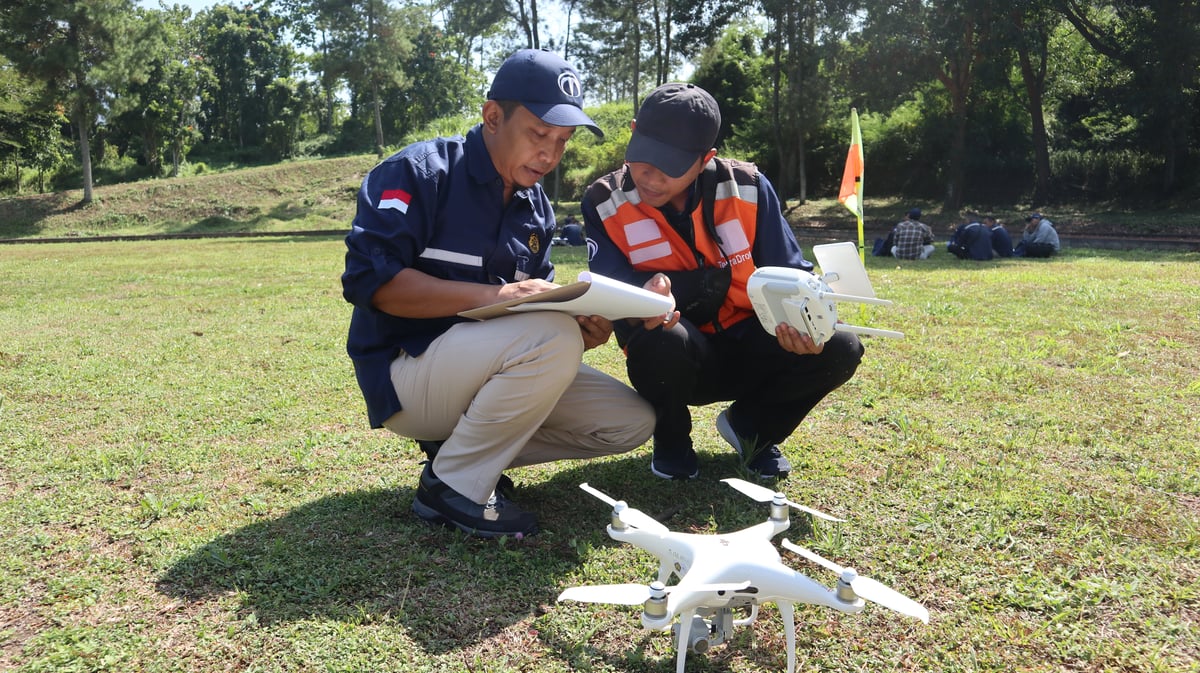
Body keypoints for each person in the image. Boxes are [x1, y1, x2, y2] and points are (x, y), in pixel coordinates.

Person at [341, 49, 656, 539]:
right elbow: (372, 285)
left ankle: (461, 453)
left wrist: (581, 328)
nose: (550, 154)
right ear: (493, 116)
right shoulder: (421, 173)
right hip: (404, 374)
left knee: (629, 421)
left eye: (563, 141)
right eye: (538, 134)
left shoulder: (537, 210)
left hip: (483, 369)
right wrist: (503, 296)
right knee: (550, 336)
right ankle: (452, 488)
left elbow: (538, 319)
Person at [581, 83, 864, 481]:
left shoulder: (748, 186)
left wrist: (803, 320)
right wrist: (642, 295)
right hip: (674, 353)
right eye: (643, 159)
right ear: (632, 131)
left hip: (754, 341)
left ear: (705, 159)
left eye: (670, 166)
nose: (650, 177)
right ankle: (672, 439)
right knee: (661, 340)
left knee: (840, 347)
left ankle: (753, 430)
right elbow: (609, 289)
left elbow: (790, 272)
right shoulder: (602, 201)